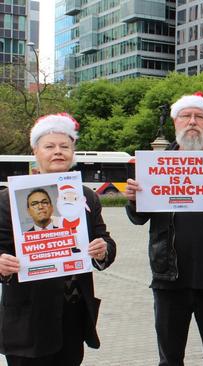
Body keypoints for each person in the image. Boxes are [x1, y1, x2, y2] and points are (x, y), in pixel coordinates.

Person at [125, 92, 203, 366]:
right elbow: (139, 219)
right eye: (186, 116)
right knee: (170, 358)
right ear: (175, 123)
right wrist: (133, 199)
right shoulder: (155, 164)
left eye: (200, 116)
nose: (192, 122)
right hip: (168, 276)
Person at [0, 113, 116, 365]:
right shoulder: (9, 198)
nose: (58, 152)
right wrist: (2, 263)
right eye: (49, 146)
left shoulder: (87, 196)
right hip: (28, 319)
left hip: (72, 315)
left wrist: (102, 249)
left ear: (73, 151)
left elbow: (104, 239)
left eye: (65, 146)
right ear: (36, 151)